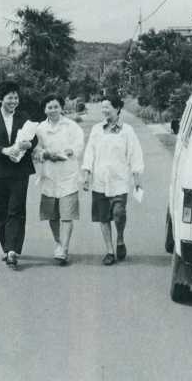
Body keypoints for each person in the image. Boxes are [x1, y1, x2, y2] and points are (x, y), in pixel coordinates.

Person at [82, 97, 144, 266]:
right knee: (103, 217)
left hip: (119, 181)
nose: (104, 110)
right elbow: (90, 152)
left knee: (118, 213)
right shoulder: (96, 130)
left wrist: (137, 177)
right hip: (100, 181)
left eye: (107, 107)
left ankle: (120, 239)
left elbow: (135, 154)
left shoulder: (127, 131)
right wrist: (86, 174)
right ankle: (110, 251)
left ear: (117, 109)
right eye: (103, 107)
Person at [0, 80, 37, 269]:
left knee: (17, 208)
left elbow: (34, 139)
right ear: (0, 99)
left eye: (16, 97)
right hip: (0, 170)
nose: (14, 101)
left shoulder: (24, 117)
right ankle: (6, 247)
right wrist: (5, 151)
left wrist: (29, 145)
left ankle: (12, 250)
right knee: (2, 210)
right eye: (10, 97)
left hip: (20, 170)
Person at [34, 94, 84, 265]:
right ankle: (58, 242)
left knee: (67, 215)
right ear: (44, 110)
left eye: (56, 106)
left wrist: (69, 151)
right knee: (52, 215)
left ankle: (64, 248)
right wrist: (45, 154)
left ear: (61, 108)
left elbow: (78, 145)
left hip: (68, 175)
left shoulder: (72, 126)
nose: (53, 110)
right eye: (49, 107)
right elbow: (36, 150)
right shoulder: (40, 128)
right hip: (48, 176)